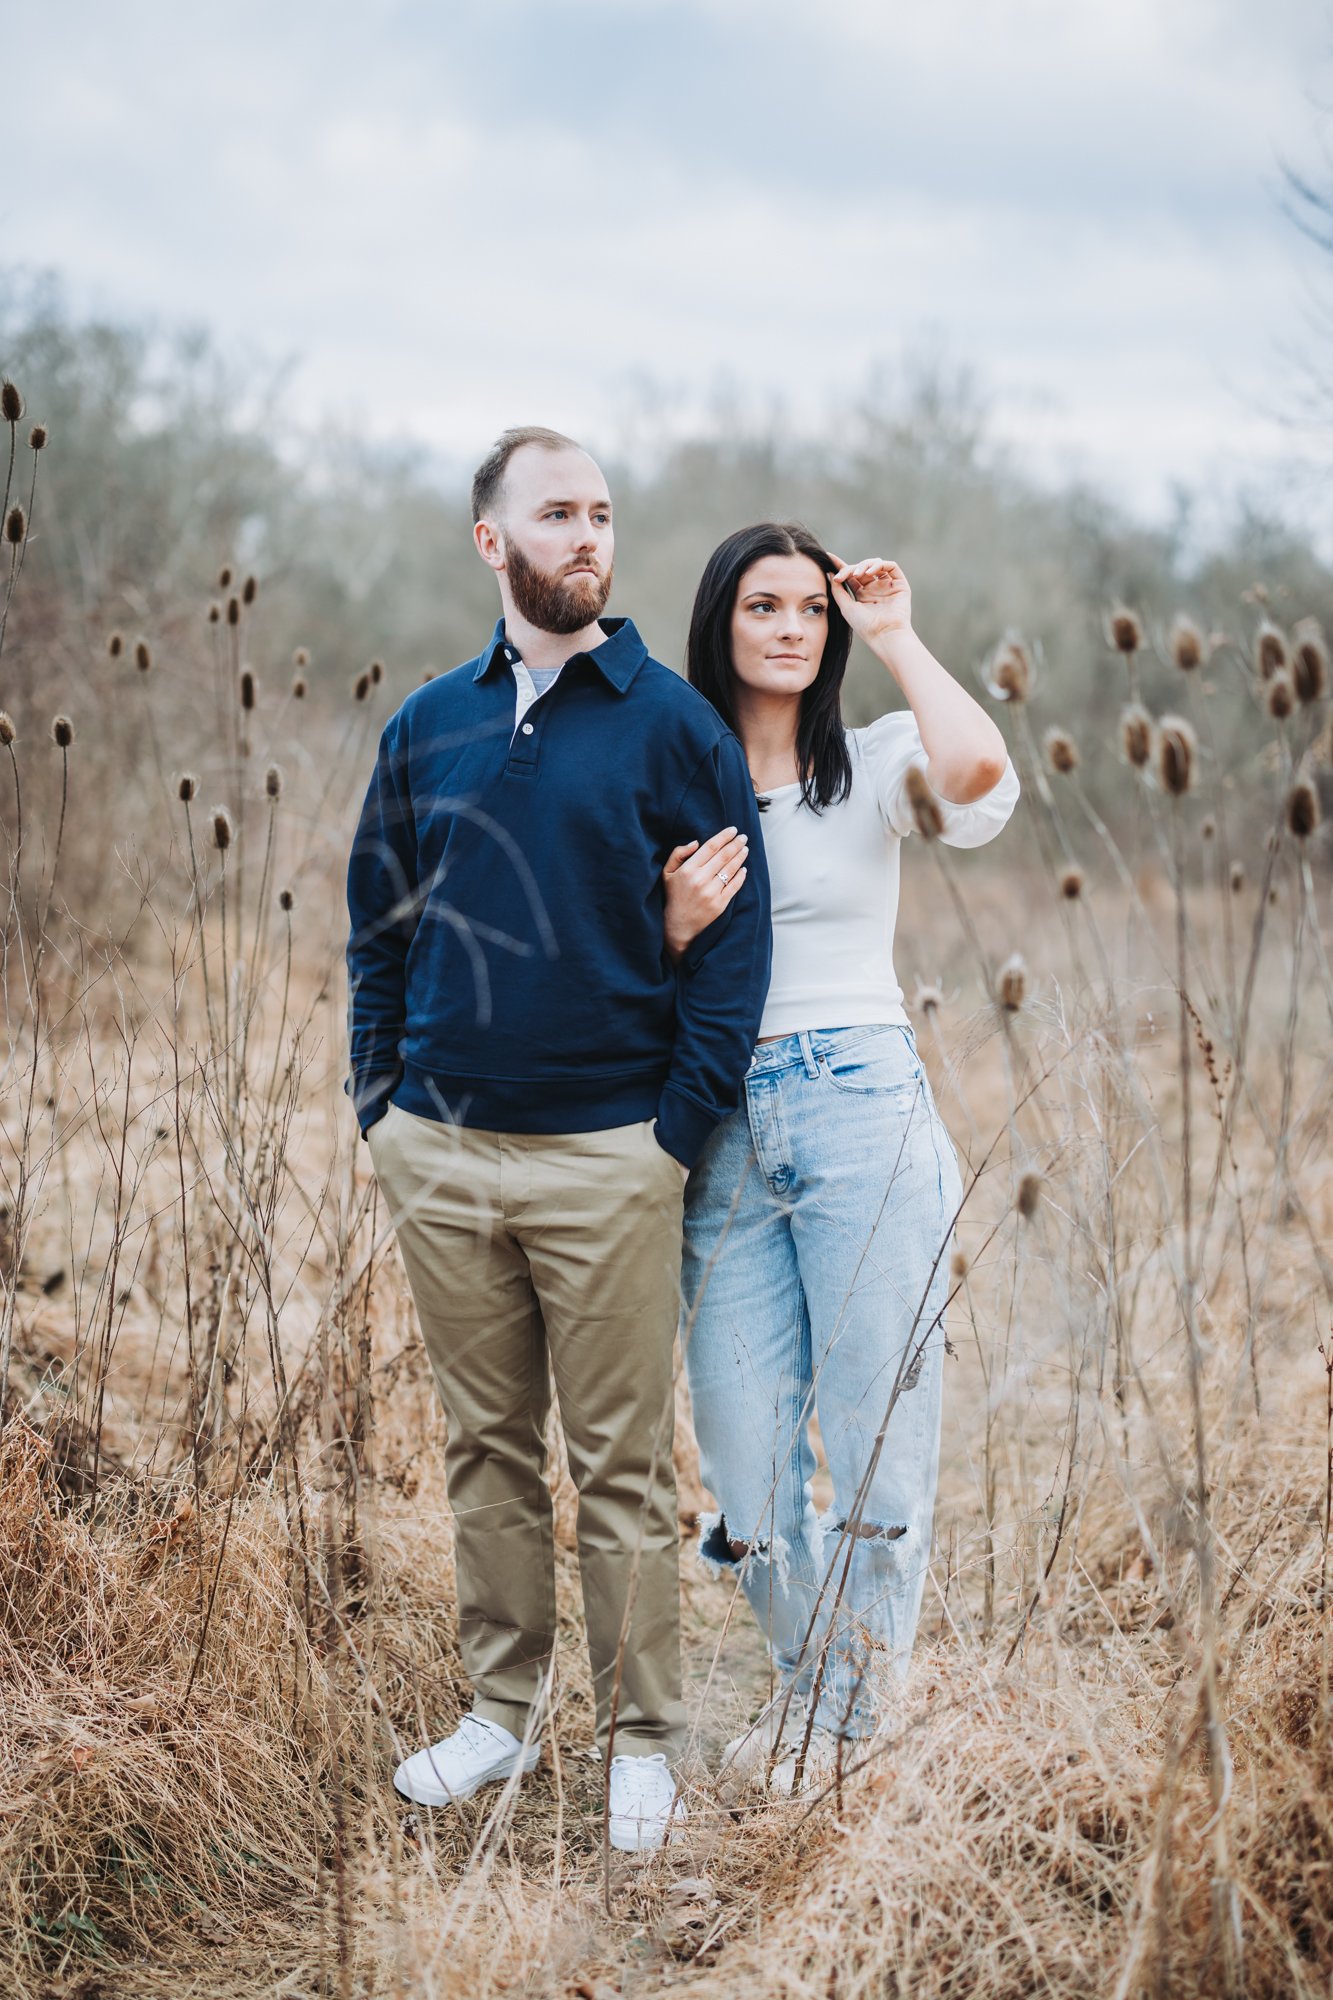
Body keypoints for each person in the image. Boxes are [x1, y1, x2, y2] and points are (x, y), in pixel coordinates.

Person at [344, 429, 771, 1850]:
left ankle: (640, 1738)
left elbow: (734, 949)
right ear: (493, 541)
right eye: (557, 513)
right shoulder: (427, 724)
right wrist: (380, 1108)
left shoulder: (671, 725)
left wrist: (670, 1133)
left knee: (625, 1466)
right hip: (444, 1154)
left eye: (601, 511)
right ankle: (499, 1716)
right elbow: (378, 930)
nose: (587, 535)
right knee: (486, 1452)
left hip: (610, 1155)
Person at [660, 522, 1018, 1791]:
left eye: (812, 608)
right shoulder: (673, 787)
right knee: (747, 1468)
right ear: (721, 622)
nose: (792, 626)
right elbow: (608, 964)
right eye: (764, 605)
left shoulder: (867, 768)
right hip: (722, 1127)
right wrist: (669, 922)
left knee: (877, 1437)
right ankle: (819, 1687)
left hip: (862, 1100)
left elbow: (977, 773)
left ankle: (844, 1725)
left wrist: (896, 630)